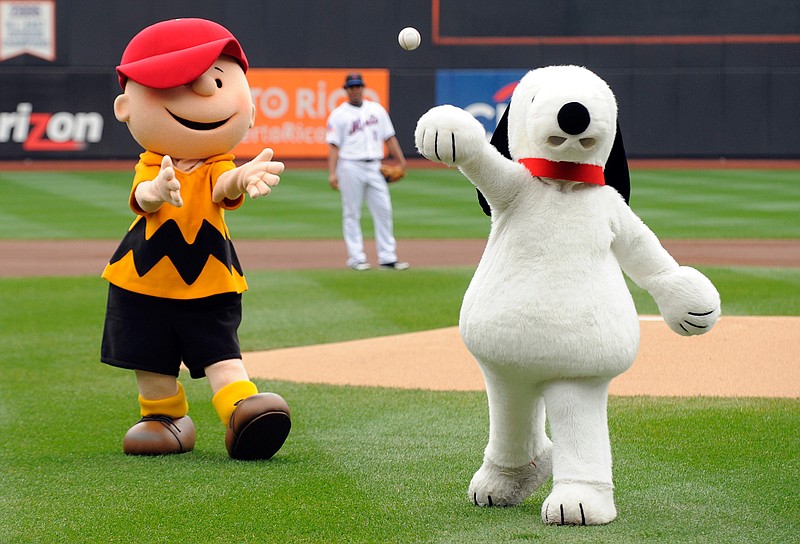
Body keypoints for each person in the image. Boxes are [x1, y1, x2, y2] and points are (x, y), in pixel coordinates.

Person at [102, 18, 291, 460]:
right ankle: (164, 416)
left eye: (218, 79)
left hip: (208, 276)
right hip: (143, 278)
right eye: (174, 86)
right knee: (149, 354)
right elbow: (144, 196)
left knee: (220, 348)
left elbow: (221, 185)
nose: (206, 91)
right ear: (125, 107)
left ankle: (240, 408)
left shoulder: (215, 164)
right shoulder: (153, 162)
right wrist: (157, 191)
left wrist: (240, 177)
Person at [326, 73, 409, 271]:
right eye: (351, 87)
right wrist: (332, 172)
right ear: (345, 89)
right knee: (351, 213)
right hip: (350, 165)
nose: (355, 90)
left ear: (363, 88)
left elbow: (390, 137)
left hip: (375, 166)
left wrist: (401, 161)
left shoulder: (376, 110)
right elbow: (333, 146)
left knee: (384, 210)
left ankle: (388, 257)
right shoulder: (339, 114)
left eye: (358, 86)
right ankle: (357, 258)